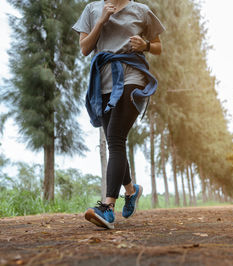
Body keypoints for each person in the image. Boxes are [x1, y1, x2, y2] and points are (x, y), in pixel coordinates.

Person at [72, 0, 165, 229]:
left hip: (133, 77)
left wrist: (144, 45)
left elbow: (158, 47)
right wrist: (101, 21)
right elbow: (85, 48)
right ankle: (131, 191)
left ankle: (107, 208)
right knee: (116, 142)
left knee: (115, 138)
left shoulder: (141, 11)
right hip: (102, 82)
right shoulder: (92, 9)